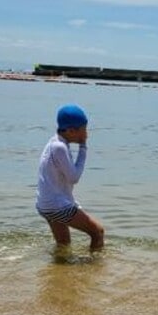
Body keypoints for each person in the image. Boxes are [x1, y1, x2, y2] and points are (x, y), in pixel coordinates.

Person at [36, 104, 104, 251]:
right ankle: (95, 269)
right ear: (71, 131)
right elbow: (74, 177)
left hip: (46, 204)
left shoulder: (54, 142)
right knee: (97, 232)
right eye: (84, 130)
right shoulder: (59, 147)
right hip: (57, 205)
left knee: (63, 243)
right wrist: (83, 147)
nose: (86, 134)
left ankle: (61, 271)